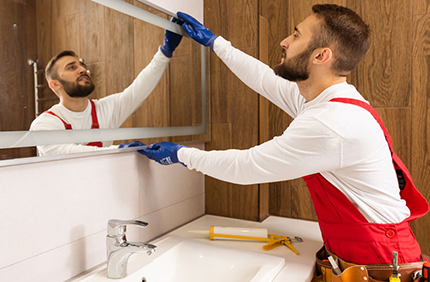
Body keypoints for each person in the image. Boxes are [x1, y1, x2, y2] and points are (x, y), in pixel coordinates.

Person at [137, 4, 430, 280]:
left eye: (296, 35)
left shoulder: (331, 122)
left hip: (380, 263)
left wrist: (182, 155)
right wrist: (216, 43)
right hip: (365, 256)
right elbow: (266, 80)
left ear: (320, 56)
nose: (285, 41)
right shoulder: (330, 100)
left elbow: (247, 167)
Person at [29, 18, 183, 156]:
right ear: (54, 84)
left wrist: (165, 51)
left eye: (82, 65)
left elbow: (140, 89)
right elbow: (68, 153)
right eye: (71, 67)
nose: (82, 69)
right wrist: (119, 150)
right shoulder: (44, 124)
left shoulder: (104, 109)